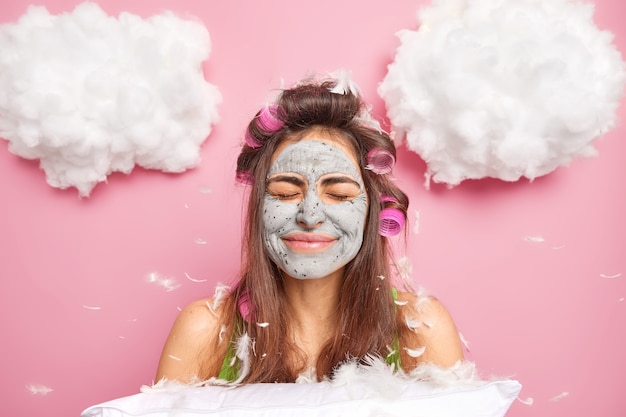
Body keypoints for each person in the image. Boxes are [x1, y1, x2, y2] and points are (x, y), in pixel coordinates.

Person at [155, 74, 464, 384]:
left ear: (371, 210)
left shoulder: (421, 328)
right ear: (259, 207)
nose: (310, 216)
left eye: (339, 194)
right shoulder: (203, 331)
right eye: (286, 193)